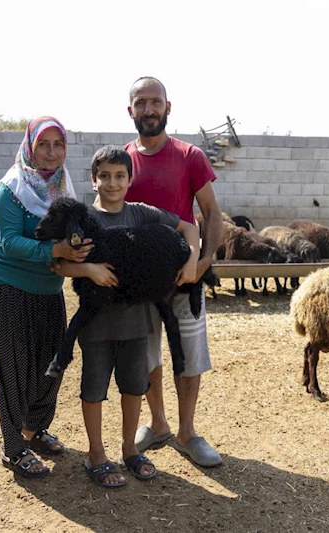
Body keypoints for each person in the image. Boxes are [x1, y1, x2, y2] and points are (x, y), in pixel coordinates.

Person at [53, 145, 199, 488]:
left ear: (130, 180)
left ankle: (130, 448)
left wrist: (192, 259)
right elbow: (59, 263)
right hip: (96, 325)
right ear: (93, 181)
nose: (112, 183)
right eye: (104, 176)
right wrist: (88, 269)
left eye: (120, 176)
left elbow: (188, 228)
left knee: (134, 387)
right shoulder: (84, 220)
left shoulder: (142, 214)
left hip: (137, 324)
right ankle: (96, 454)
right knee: (94, 388)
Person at [0, 116, 93, 478]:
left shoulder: (64, 187)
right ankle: (14, 448)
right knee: (15, 369)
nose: (51, 152)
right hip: (6, 286)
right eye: (44, 144)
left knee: (51, 364)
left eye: (58, 145)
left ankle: (36, 428)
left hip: (47, 288)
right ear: (30, 146)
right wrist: (56, 249)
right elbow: (9, 242)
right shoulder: (9, 189)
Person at [124, 76, 224, 467]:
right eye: (141, 102)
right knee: (147, 355)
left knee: (189, 357)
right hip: (141, 284)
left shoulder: (189, 156)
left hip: (185, 279)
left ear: (168, 107)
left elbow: (212, 213)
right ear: (129, 110)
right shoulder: (120, 162)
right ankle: (159, 423)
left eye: (155, 102)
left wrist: (202, 263)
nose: (149, 109)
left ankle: (187, 432)